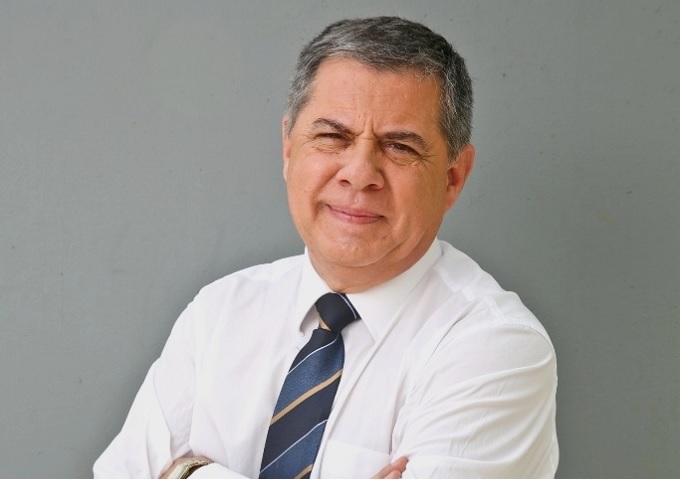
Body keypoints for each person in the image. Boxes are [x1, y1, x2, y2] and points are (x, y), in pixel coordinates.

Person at [94, 16, 558, 479]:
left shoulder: (496, 347)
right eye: (333, 137)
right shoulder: (218, 314)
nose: (359, 174)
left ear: (453, 177)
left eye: (399, 146)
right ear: (289, 150)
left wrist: (187, 473)